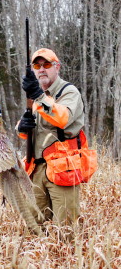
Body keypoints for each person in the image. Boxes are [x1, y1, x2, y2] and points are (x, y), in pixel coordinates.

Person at [16, 48, 96, 239]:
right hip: (36, 171)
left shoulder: (68, 92)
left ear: (57, 67)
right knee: (34, 228)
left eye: (47, 65)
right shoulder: (37, 98)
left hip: (63, 170)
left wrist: (39, 96)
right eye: (37, 65)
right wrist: (21, 128)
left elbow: (63, 119)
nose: (41, 69)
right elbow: (30, 131)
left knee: (66, 231)